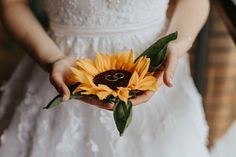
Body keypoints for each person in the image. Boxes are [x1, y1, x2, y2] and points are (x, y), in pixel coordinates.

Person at [0, 0, 210, 156]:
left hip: (154, 69)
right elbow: (11, 4)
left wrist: (178, 42)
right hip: (63, 68)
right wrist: (51, 58)